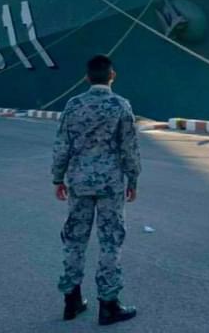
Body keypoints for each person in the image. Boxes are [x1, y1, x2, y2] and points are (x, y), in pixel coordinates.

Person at [52, 55, 141, 325]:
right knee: (110, 242)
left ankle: (71, 301)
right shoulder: (121, 106)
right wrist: (133, 180)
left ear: (87, 77)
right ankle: (109, 305)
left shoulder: (73, 105)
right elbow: (129, 149)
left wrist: (58, 179)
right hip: (110, 184)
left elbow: (62, 145)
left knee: (74, 241)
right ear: (111, 75)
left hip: (78, 182)